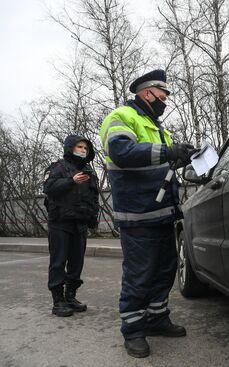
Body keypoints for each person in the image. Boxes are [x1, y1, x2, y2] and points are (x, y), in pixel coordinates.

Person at [99, 69, 197, 358]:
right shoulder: (121, 117)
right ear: (148, 92)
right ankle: (133, 331)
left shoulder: (157, 126)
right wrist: (168, 152)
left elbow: (159, 163)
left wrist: (184, 156)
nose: (165, 100)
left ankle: (156, 319)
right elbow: (123, 152)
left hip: (162, 213)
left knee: (165, 270)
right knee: (139, 275)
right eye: (163, 95)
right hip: (138, 214)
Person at [43, 135, 99, 317]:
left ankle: (70, 296)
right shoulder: (58, 167)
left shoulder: (90, 171)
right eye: (79, 147)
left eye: (85, 148)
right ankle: (58, 301)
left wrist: (93, 218)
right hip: (60, 222)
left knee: (76, 262)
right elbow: (49, 187)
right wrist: (71, 181)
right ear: (70, 148)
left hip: (80, 223)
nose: (83, 150)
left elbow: (94, 196)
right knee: (58, 262)